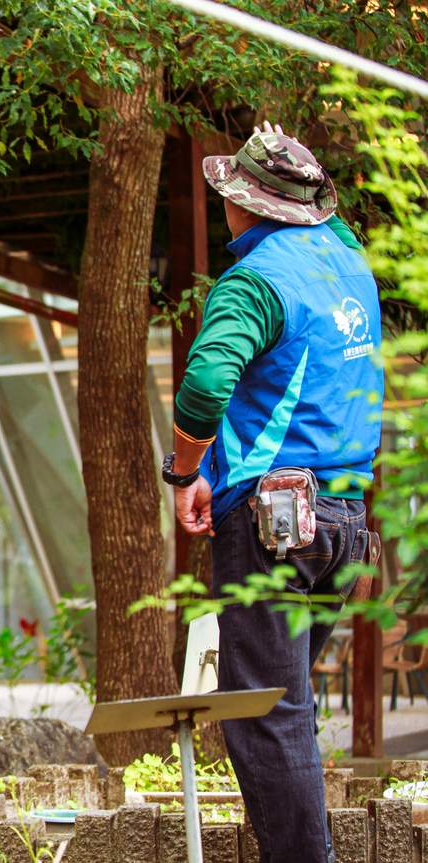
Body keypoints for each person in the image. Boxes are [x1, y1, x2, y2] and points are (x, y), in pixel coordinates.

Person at [169, 124, 382, 863]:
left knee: (266, 715)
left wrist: (183, 471)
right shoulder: (349, 263)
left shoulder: (254, 282)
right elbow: (330, 221)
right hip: (346, 522)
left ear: (245, 203)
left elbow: (204, 385)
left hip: (275, 521)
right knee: (287, 707)